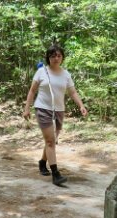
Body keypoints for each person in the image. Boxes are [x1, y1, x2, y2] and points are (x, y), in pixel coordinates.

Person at [23, 44, 88, 186]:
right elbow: (32, 91)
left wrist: (81, 106)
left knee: (52, 141)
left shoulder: (66, 74)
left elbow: (72, 92)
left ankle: (42, 162)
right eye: (53, 56)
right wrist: (27, 108)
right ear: (48, 58)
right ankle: (56, 174)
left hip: (59, 111)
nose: (56, 58)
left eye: (59, 55)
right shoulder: (41, 72)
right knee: (51, 141)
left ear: (62, 57)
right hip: (43, 108)